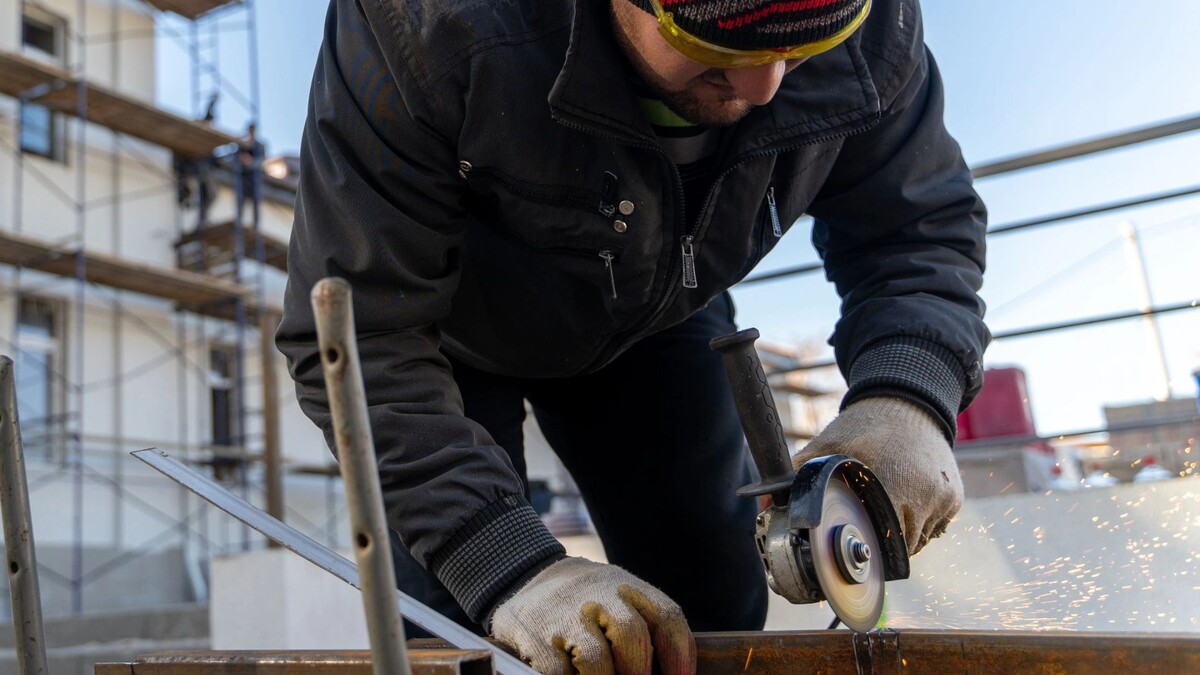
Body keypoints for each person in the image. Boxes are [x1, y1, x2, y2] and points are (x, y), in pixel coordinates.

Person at [277, 0, 989, 673]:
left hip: (658, 315)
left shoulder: (871, 28)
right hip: (440, 342)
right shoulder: (424, 23)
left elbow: (912, 232)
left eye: (803, 48)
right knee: (462, 631)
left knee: (711, 603)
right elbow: (365, 330)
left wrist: (908, 392)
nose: (763, 85)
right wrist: (506, 562)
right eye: (716, 45)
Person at [236, 122, 265, 227]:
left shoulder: (259, 146)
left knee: (256, 201)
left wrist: (251, 162)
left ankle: (255, 225)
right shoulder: (243, 145)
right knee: (240, 201)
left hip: (254, 178)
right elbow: (237, 159)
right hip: (243, 177)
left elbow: (261, 162)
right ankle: (239, 222)